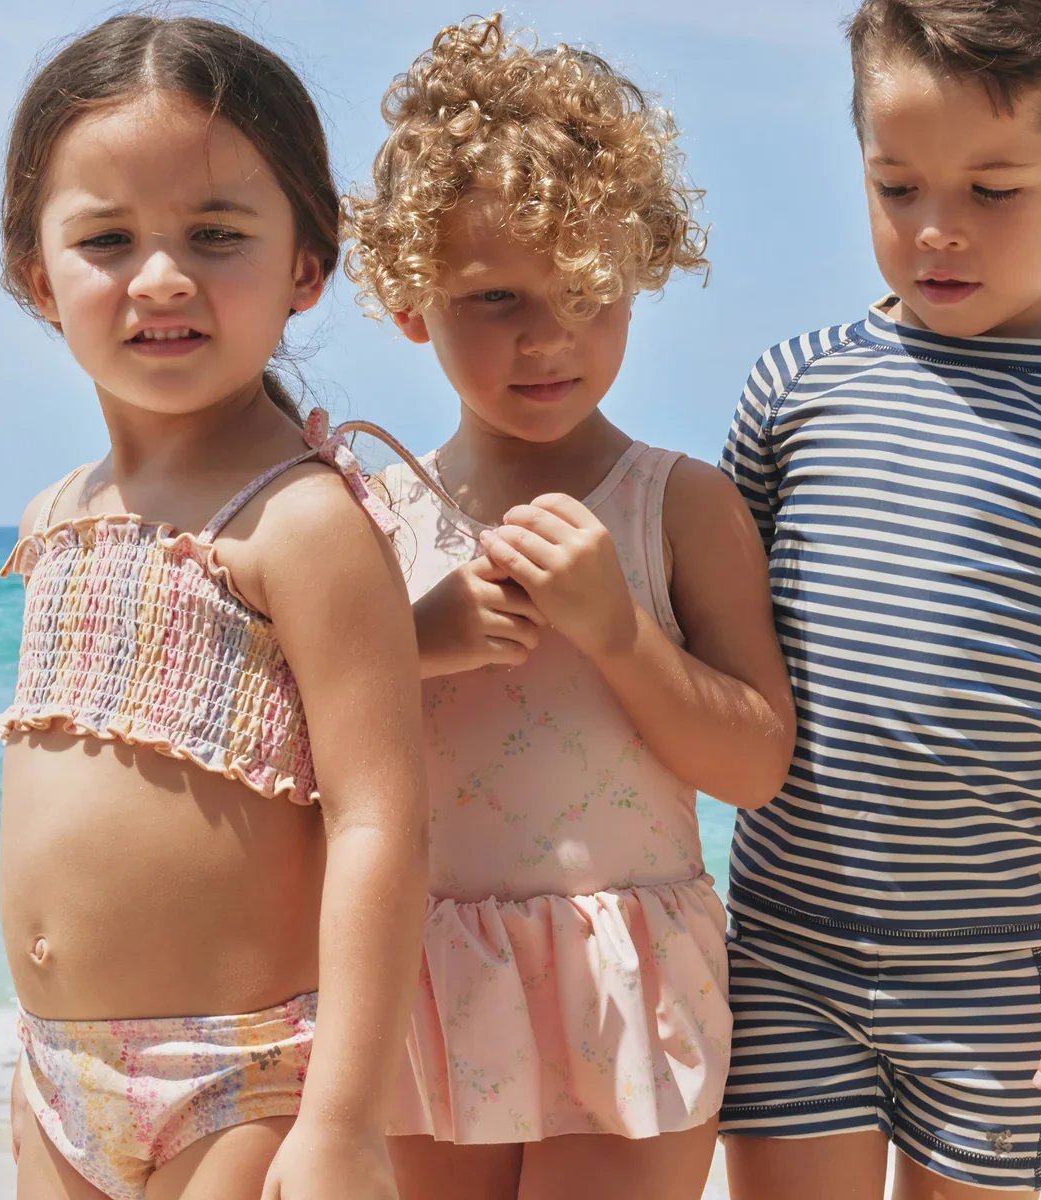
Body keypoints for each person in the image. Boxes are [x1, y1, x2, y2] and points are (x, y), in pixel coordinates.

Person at [340, 15, 796, 1200]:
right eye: (494, 298)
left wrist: (617, 631)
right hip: (425, 974)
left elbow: (751, 766)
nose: (548, 339)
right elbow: (301, 753)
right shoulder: (368, 515)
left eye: (587, 295)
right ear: (408, 299)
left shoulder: (680, 504)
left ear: (639, 282)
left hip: (628, 980)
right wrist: (413, 646)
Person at [0, 14, 427, 1200]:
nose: (163, 275)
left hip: (240, 1080)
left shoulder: (301, 520)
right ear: (39, 274)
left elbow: (382, 824)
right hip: (50, 1071)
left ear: (306, 266)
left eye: (215, 234)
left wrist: (344, 1122)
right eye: (108, 239)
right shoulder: (51, 517)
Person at [718, 2, 1041, 1197]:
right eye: (897, 188)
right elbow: (722, 670)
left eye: (994, 190)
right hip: (787, 953)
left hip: (999, 980)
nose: (936, 232)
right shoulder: (792, 390)